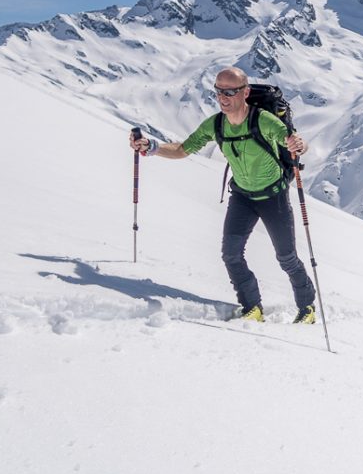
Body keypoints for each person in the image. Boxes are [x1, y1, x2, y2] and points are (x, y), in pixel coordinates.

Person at [128, 67, 316, 324]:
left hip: (274, 197)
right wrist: (152, 147)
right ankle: (252, 307)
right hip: (242, 197)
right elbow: (183, 149)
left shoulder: (263, 120)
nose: (223, 97)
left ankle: (307, 307)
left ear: (245, 92)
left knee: (286, 258)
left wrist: (299, 145)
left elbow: (292, 141)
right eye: (218, 91)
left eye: (229, 91)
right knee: (231, 254)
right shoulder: (216, 124)